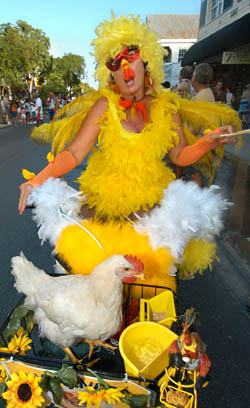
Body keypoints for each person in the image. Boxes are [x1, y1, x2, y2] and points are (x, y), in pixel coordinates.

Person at [18, 14, 240, 280]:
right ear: (110, 72)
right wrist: (35, 182)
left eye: (131, 55)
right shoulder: (104, 106)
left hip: (148, 217)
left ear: (146, 59)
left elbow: (180, 155)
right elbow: (74, 153)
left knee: (150, 293)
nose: (125, 68)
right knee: (100, 298)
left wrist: (207, 140)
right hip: (104, 216)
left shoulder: (166, 109)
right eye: (116, 61)